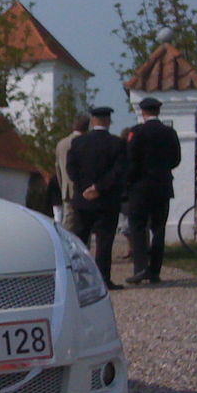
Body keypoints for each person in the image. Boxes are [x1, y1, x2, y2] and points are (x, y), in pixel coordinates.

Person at [66, 106, 128, 290]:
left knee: (79, 241)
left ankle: (78, 279)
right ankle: (103, 279)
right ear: (108, 121)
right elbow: (119, 171)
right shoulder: (117, 144)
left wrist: (84, 188)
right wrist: (99, 188)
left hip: (83, 200)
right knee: (104, 242)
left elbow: (71, 169)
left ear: (92, 121)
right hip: (107, 200)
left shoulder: (78, 143)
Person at [124, 97, 181, 284]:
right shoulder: (169, 132)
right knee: (159, 229)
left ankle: (140, 268)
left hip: (140, 187)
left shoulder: (137, 132)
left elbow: (131, 159)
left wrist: (130, 180)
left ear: (142, 112)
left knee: (138, 227)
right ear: (158, 111)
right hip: (162, 186)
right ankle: (155, 270)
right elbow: (176, 159)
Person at [54, 115, 90, 231]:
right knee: (83, 224)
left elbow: (58, 168)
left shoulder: (61, 144)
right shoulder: (87, 143)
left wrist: (63, 186)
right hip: (85, 189)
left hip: (67, 189)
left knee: (68, 220)